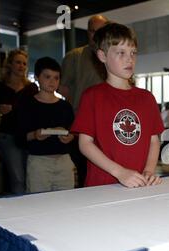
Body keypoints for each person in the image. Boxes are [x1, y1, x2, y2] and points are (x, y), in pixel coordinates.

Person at [71, 23, 164, 188]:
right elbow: (85, 144)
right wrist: (120, 172)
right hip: (101, 187)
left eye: (133, 52)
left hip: (139, 184)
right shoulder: (92, 96)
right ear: (102, 56)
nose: (130, 59)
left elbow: (153, 141)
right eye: (121, 53)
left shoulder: (147, 98)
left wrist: (148, 171)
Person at [58, 15, 109, 188]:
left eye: (100, 31)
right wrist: (82, 110)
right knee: (84, 171)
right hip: (81, 125)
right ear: (87, 32)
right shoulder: (75, 56)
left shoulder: (113, 56)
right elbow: (63, 89)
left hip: (108, 125)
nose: (96, 35)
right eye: (93, 31)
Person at [17, 57, 75, 193]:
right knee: (39, 204)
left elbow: (74, 132)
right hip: (39, 161)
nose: (52, 81)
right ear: (37, 77)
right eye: (47, 77)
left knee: (67, 202)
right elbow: (19, 137)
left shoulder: (65, 106)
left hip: (63, 161)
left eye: (56, 78)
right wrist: (35, 134)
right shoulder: (27, 104)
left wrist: (70, 137)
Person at [0, 49, 38, 195]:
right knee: (17, 178)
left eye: (24, 63)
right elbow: (2, 108)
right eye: (18, 62)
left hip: (28, 136)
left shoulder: (32, 88)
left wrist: (13, 108)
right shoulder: (0, 86)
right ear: (10, 64)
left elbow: (32, 110)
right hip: (9, 135)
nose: (21, 66)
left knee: (29, 176)